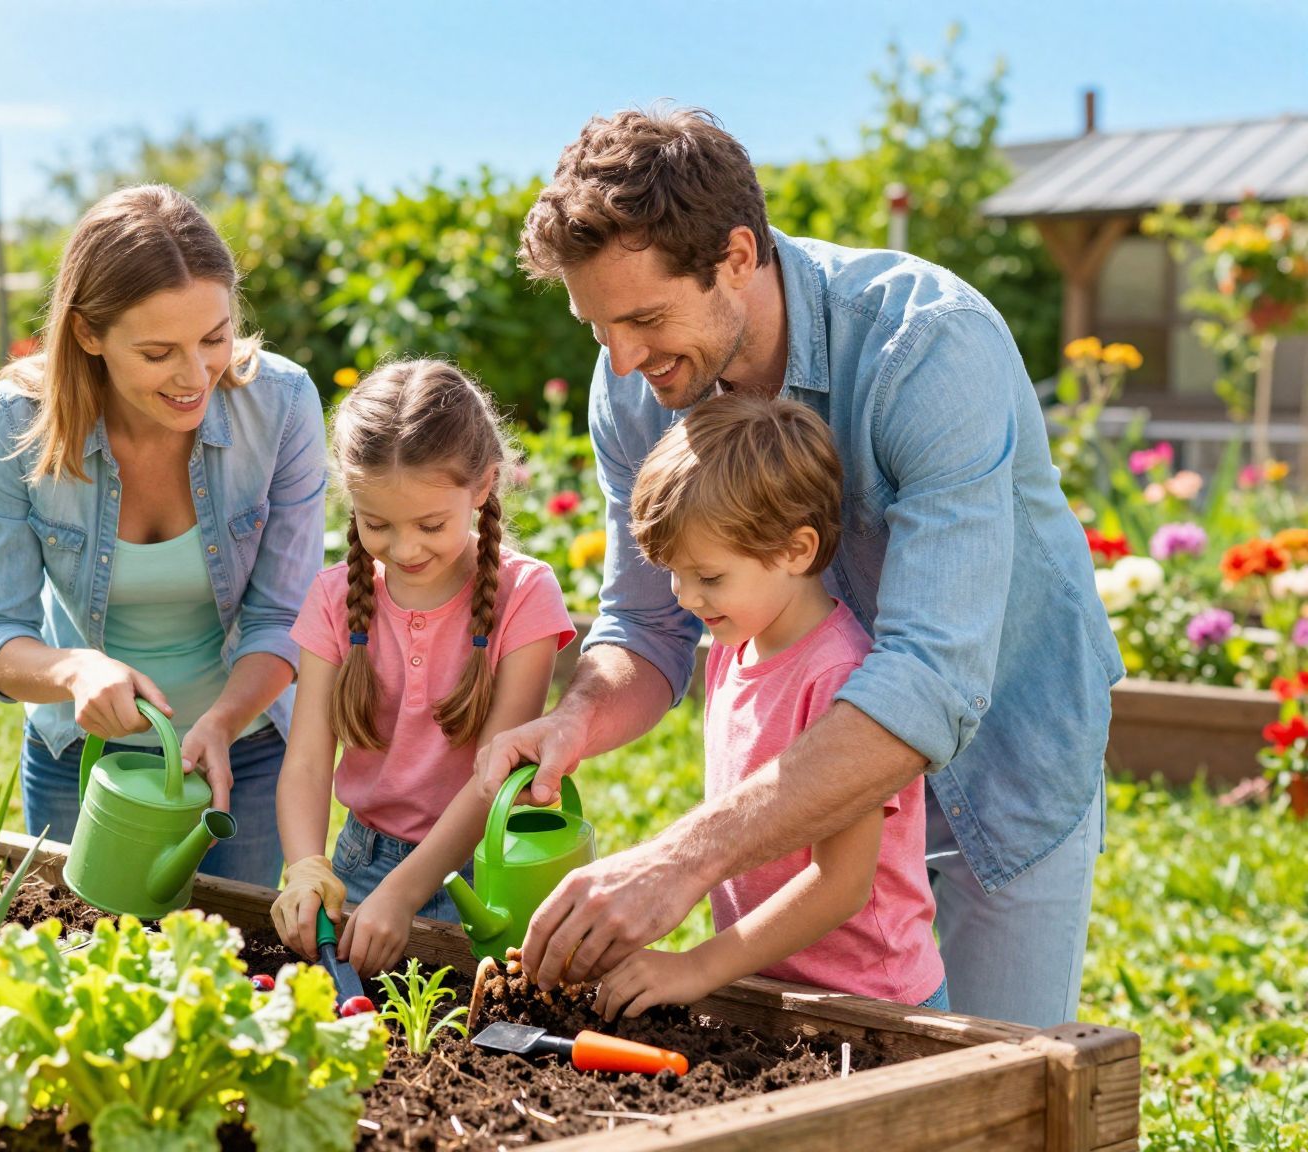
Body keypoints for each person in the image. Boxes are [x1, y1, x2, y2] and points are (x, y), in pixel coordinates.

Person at [478, 106, 1116, 1028]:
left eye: (646, 318)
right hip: (800, 813)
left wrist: (683, 859)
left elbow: (930, 682)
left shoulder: (927, 346)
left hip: (1004, 764)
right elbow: (645, 630)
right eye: (597, 327)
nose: (621, 359)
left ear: (738, 256)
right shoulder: (633, 382)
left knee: (1000, 1089)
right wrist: (575, 720)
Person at [0, 184, 327, 887]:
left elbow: (285, 615)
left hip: (242, 754)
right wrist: (75, 672)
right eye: (159, 352)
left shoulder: (280, 404)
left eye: (214, 339)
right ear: (88, 334)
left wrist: (220, 721)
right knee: (78, 973)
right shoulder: (18, 421)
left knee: (231, 975)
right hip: (82, 759)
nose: (196, 376)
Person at [593, 393, 944, 1020]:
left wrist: (699, 964)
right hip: (770, 984)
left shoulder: (839, 675)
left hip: (871, 1005)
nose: (685, 596)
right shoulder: (736, 641)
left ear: (798, 551)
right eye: (672, 572)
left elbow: (841, 885)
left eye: (709, 576)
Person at [270, 360, 573, 976]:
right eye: (376, 524)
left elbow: (493, 776)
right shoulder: (335, 598)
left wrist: (406, 893)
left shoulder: (525, 596)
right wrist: (306, 864)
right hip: (361, 864)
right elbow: (305, 760)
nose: (405, 549)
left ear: (484, 486)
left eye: (431, 525)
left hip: (485, 869)